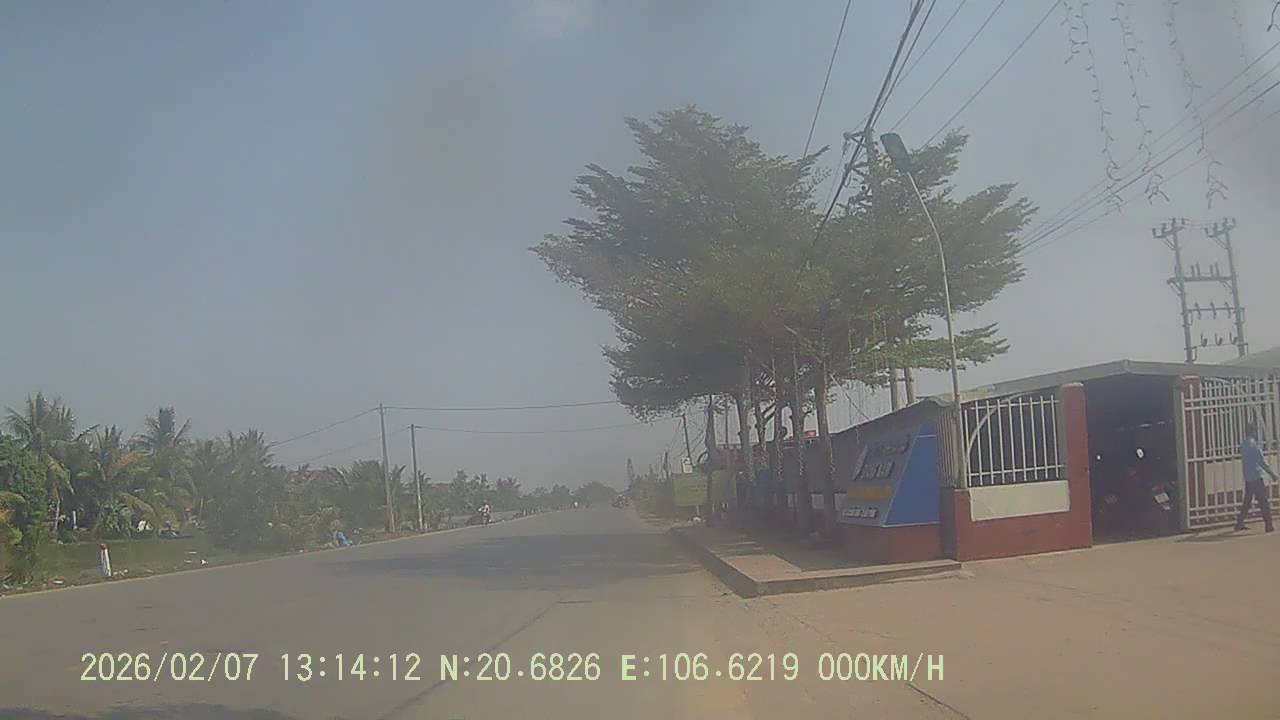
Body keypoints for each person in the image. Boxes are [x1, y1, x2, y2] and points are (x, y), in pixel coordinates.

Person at [1235, 423, 1277, 533]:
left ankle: (1239, 523)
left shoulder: (1243, 445)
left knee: (1247, 501)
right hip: (1257, 477)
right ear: (1253, 432)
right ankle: (1269, 525)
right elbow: (1262, 462)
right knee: (1263, 502)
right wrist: (1272, 474)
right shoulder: (1255, 445)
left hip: (1248, 477)